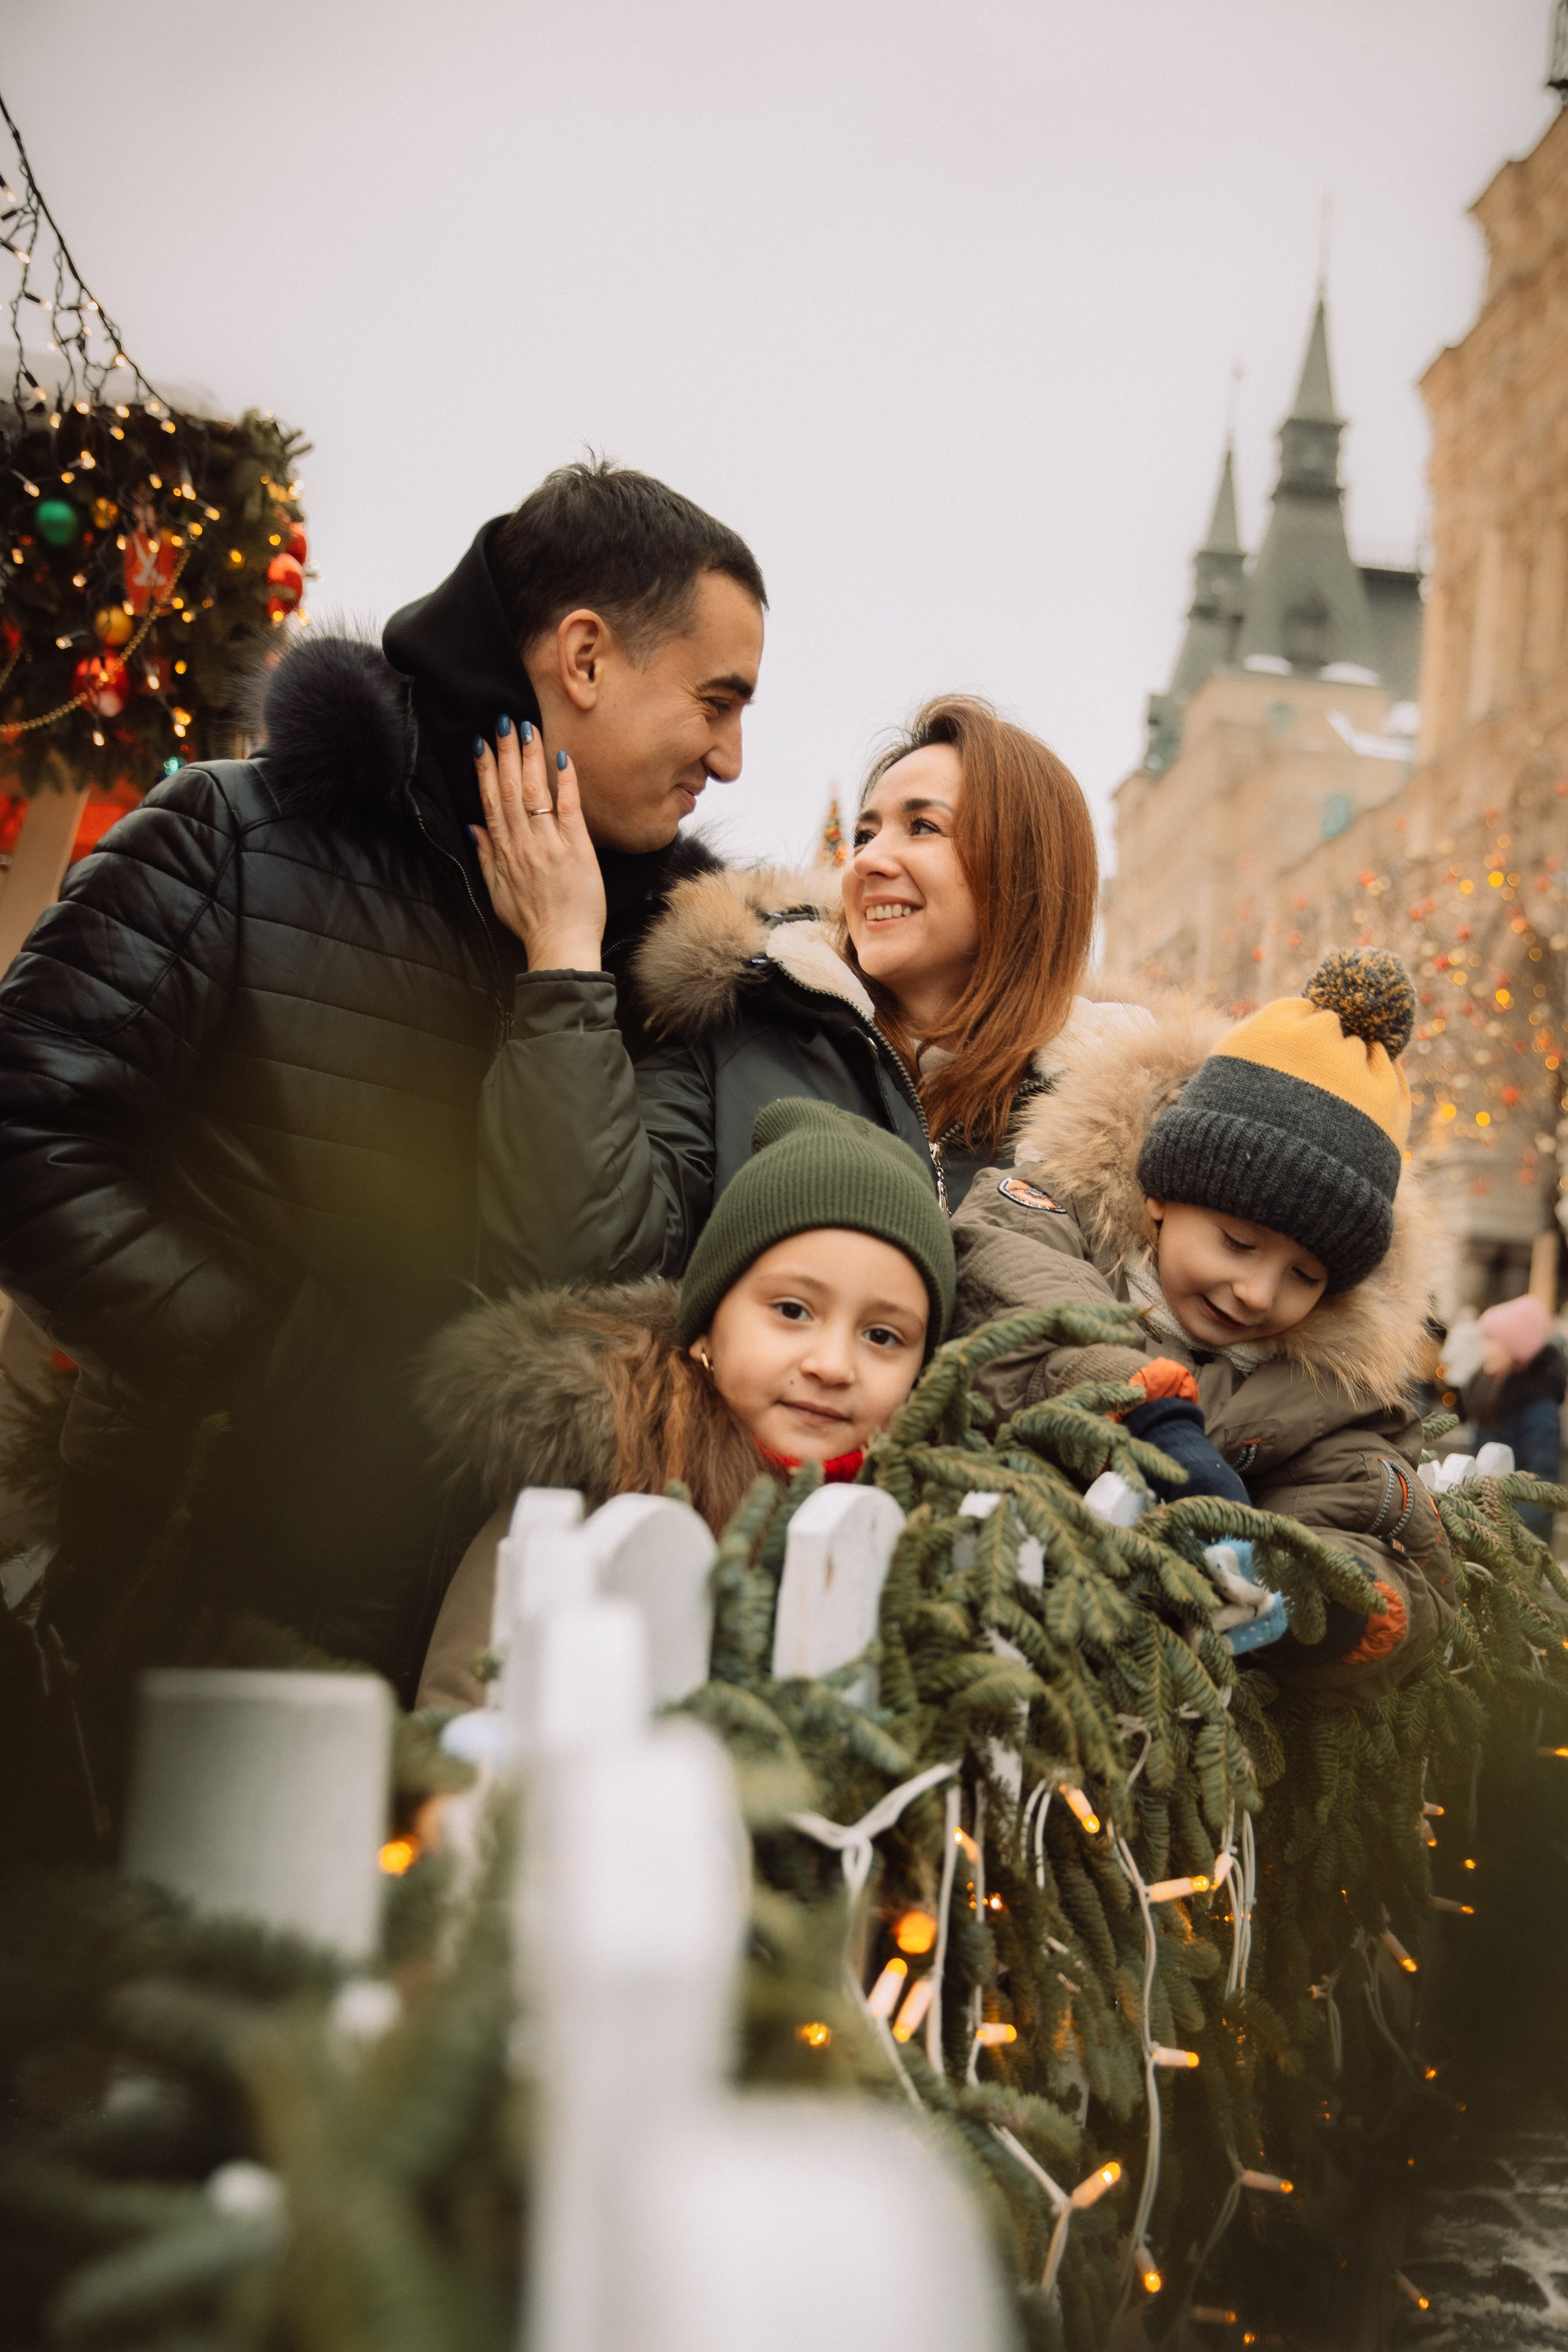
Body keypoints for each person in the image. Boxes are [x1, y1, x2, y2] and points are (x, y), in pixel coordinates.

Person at [0, 461, 766, 1702]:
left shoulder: (657, 967)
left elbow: (595, 1272)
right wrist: (257, 1348)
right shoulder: (235, 840)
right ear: (583, 657)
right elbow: (24, 1125)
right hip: (189, 1612)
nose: (730, 759)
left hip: (489, 1655)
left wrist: (563, 963)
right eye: (716, 701)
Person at [470, 692, 1114, 1294]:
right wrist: (566, 950)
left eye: (921, 828)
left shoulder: (1113, 1120)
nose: (865, 861)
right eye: (865, 835)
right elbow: (579, 1262)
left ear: (1023, 869)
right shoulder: (736, 1032)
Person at [949, 948, 1457, 1706]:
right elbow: (1021, 1305)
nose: (1256, 1292)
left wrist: (1306, 1593)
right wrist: (1149, 1416)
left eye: (1305, 1276)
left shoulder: (1327, 1395)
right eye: (1239, 1243)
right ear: (1161, 1192)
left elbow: (1377, 1534)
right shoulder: (1044, 1220)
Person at [415, 1098, 954, 1711]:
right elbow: (461, 1715)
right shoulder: (605, 1476)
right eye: (792, 1311)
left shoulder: (932, 1533)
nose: (831, 1365)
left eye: (882, 1336)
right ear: (705, 1329)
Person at [1464, 1293, 1566, 1542]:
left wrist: (1506, 1533)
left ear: (1516, 1350)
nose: (1484, 1350)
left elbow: (1540, 1487)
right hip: (1483, 1528)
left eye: (1492, 1342)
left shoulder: (1538, 1408)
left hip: (1515, 1540)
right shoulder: (1489, 1390)